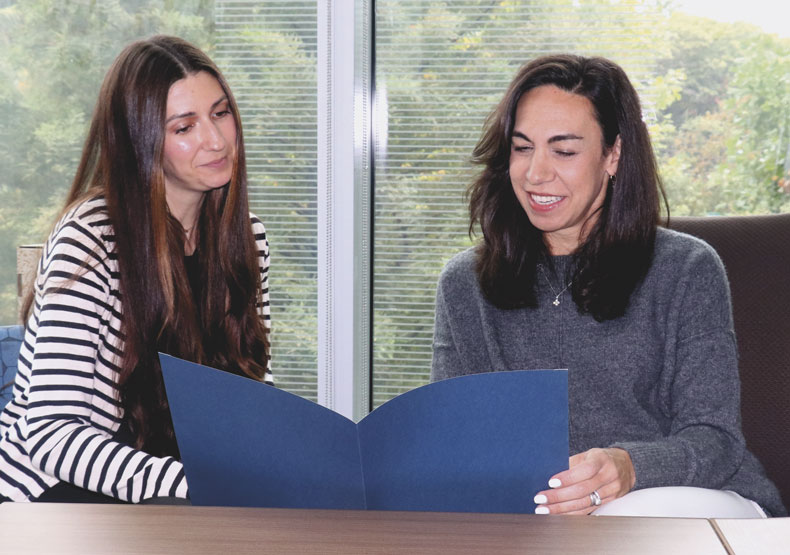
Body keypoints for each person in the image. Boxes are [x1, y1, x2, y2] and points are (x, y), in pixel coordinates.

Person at [430, 54, 786, 518]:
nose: (537, 172)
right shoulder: (465, 284)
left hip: (695, 505)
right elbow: (450, 441)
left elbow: (716, 441)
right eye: (522, 147)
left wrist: (629, 466)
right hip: (540, 517)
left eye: (564, 150)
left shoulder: (686, 269)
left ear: (613, 155)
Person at [0, 35, 271, 503]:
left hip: (167, 492)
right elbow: (49, 433)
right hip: (57, 495)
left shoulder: (245, 237)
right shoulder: (91, 237)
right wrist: (193, 485)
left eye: (220, 113)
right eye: (184, 127)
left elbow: (251, 394)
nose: (215, 139)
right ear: (139, 141)